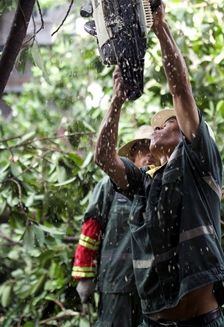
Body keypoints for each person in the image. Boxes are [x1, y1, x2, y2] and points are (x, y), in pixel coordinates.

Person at [94, 0, 224, 327]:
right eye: (155, 125)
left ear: (186, 132)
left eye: (168, 123)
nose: (159, 126)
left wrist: (159, 27)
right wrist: (116, 100)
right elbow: (103, 156)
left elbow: (181, 90)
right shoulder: (145, 183)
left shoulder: (199, 165)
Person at [73, 126, 158, 327]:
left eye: (152, 147)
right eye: (141, 148)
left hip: (154, 286)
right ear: (132, 155)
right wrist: (84, 276)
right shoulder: (109, 185)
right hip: (116, 282)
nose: (148, 153)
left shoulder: (164, 185)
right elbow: (91, 229)